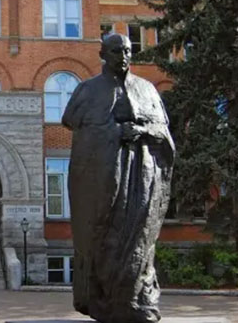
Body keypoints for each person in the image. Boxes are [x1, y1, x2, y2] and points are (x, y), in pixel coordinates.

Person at [62, 34, 175, 323]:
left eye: (127, 50)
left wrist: (142, 132)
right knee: (104, 238)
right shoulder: (87, 91)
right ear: (102, 53)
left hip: (142, 175)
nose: (123, 56)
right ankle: (104, 301)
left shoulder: (147, 89)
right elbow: (80, 128)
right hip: (103, 178)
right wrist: (116, 133)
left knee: (139, 237)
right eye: (115, 51)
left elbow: (163, 133)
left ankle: (138, 300)